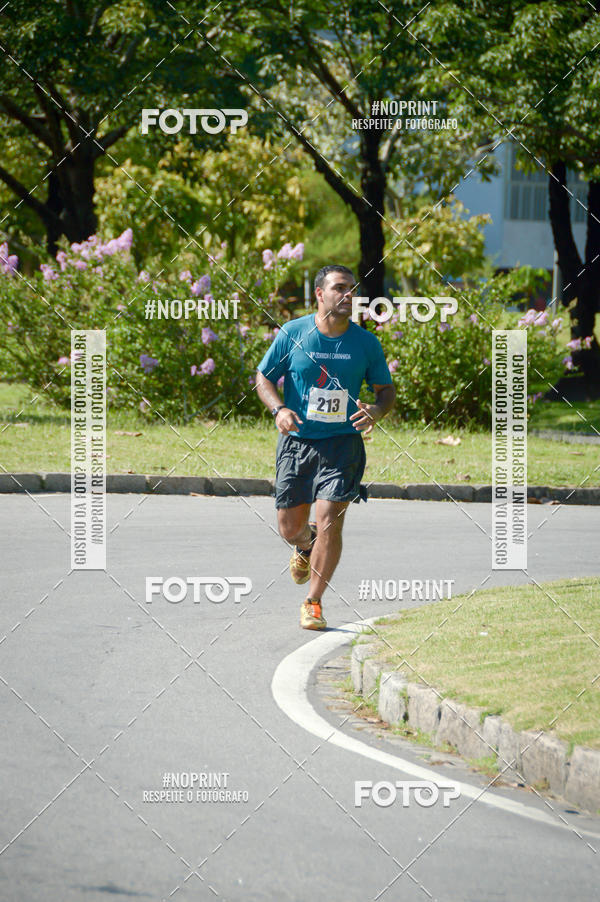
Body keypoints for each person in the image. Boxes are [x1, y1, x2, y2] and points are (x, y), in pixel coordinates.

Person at [256, 264, 396, 630]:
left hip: (342, 444)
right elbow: (264, 378)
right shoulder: (293, 333)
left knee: (330, 519)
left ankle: (313, 602)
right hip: (297, 443)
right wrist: (279, 409)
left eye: (352, 289)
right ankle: (305, 545)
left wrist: (377, 410)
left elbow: (386, 390)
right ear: (320, 293)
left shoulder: (366, 343)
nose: (348, 294)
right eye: (339, 288)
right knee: (289, 528)